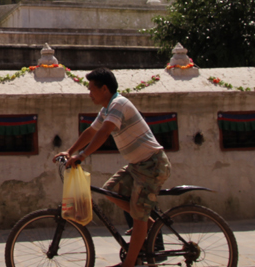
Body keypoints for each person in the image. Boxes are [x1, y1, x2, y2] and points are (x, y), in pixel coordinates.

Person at [55, 68, 170, 267]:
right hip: (137, 166)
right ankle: (149, 224)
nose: (89, 94)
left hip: (152, 164)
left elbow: (105, 131)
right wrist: (70, 151)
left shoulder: (118, 104)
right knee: (109, 190)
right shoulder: (107, 109)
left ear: (105, 89)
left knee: (138, 216)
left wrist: (82, 155)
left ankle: (130, 263)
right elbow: (92, 131)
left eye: (92, 89)